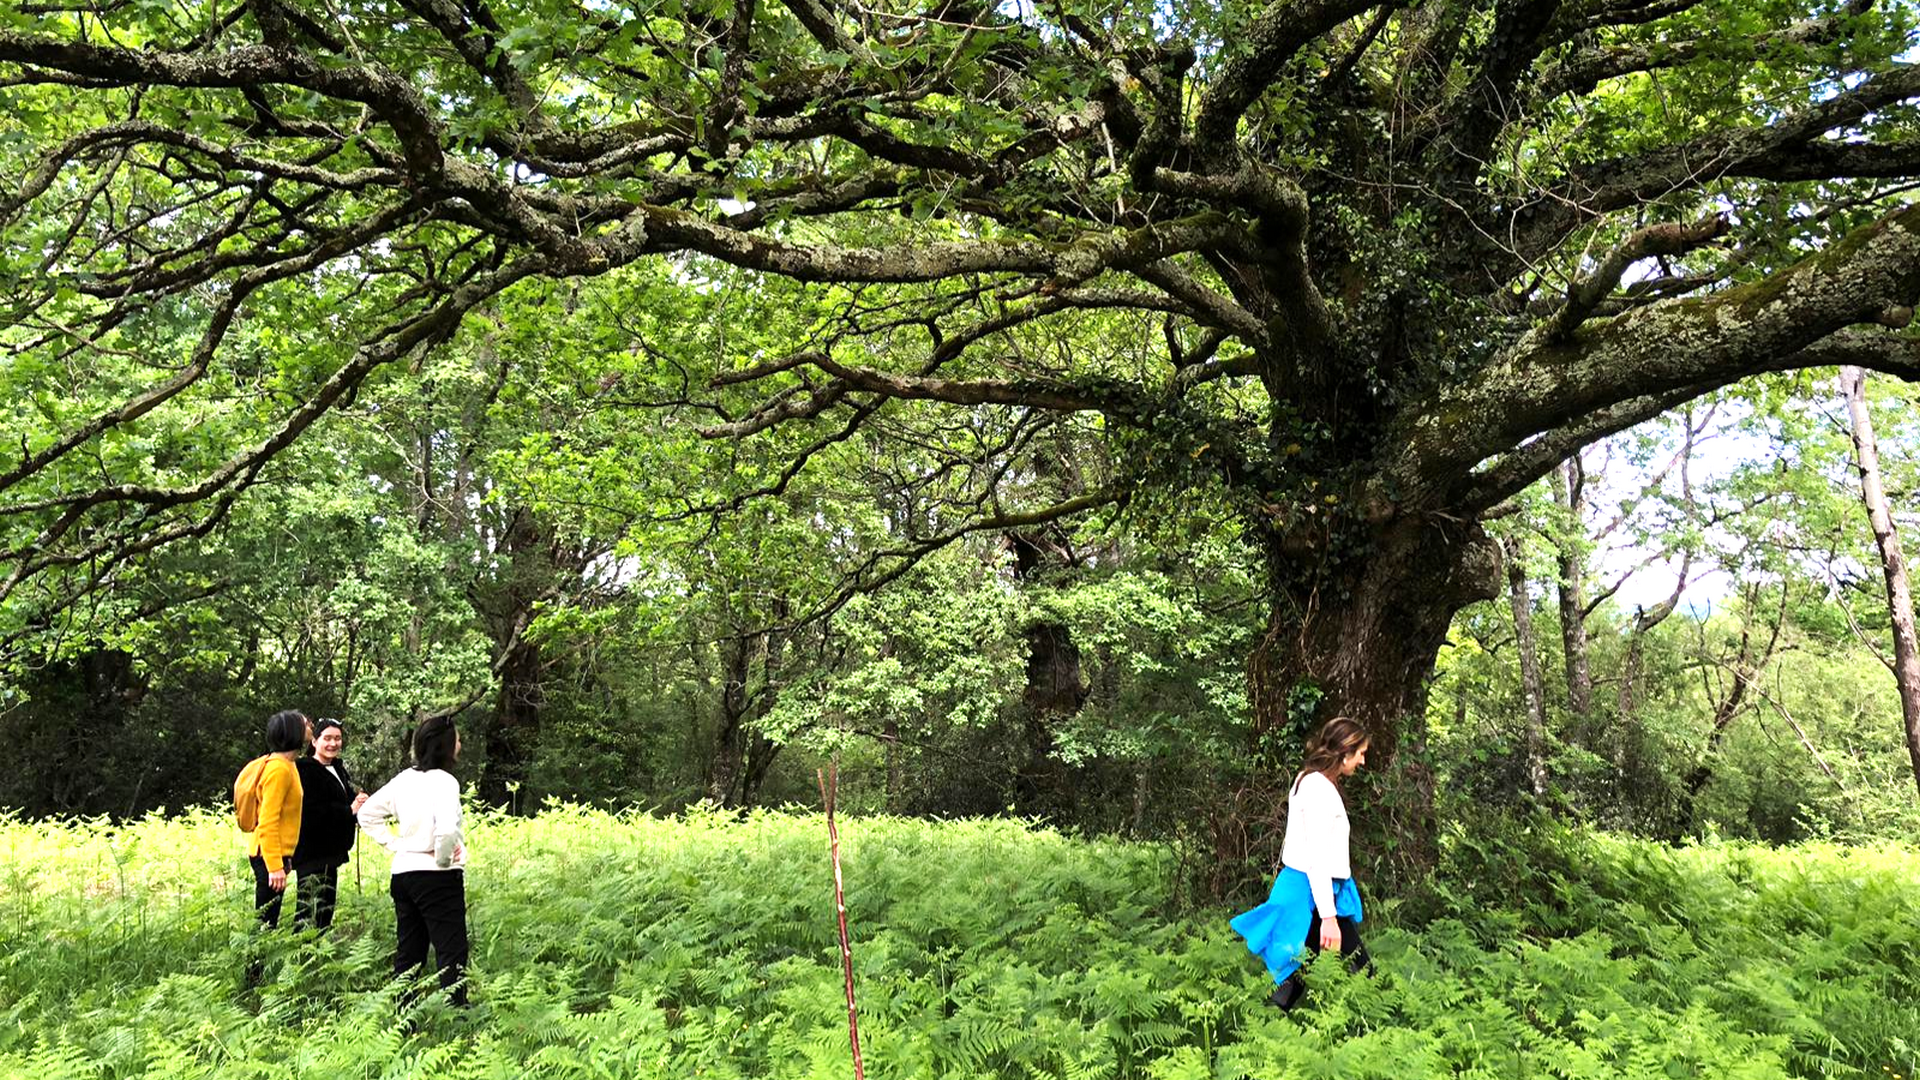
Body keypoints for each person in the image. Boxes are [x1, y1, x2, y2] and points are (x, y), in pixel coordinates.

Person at [1230, 716, 1375, 1011]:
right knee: (1361, 970)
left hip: (1317, 894)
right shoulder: (1317, 788)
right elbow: (1317, 858)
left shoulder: (1312, 781)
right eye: (1360, 753)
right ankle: (1382, 1034)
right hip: (1310, 894)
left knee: (1297, 974)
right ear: (1344, 751)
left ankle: (1262, 1029)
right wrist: (1329, 918)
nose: (1362, 761)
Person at [358, 714, 469, 1006]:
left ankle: (403, 1014)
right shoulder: (445, 781)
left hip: (404, 875)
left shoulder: (403, 780)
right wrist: (443, 860)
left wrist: (397, 845)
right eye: (456, 738)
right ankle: (456, 1012)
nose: (460, 743)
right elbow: (446, 829)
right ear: (446, 745)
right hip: (437, 877)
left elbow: (366, 814)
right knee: (451, 948)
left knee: (410, 950)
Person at [292, 718, 369, 931]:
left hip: (332, 852)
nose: (333, 743)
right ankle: (300, 957)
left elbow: (345, 799)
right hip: (312, 852)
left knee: (325, 911)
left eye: (337, 738)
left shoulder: (337, 768)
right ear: (314, 742)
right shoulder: (305, 770)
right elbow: (312, 811)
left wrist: (359, 803)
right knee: (307, 911)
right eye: (327, 738)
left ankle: (317, 955)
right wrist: (350, 810)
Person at [247, 709, 311, 930]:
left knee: (268, 924)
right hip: (267, 856)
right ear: (293, 731)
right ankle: (254, 966)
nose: (310, 726)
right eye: (305, 724)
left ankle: (258, 964)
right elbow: (268, 820)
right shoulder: (279, 770)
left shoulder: (289, 764)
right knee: (264, 926)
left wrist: (286, 859)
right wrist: (274, 866)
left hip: (277, 855)